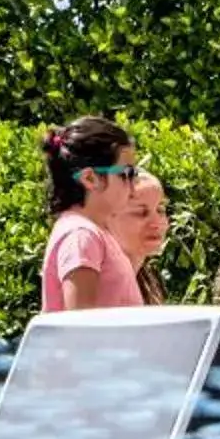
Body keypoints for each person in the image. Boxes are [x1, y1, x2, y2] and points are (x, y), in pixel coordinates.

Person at [40, 116, 148, 313]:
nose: (134, 186)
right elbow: (83, 325)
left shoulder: (94, 233)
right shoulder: (81, 236)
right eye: (126, 174)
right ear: (90, 178)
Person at [105, 171, 171, 304]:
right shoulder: (102, 285)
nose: (156, 222)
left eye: (160, 210)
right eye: (141, 212)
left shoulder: (144, 281)